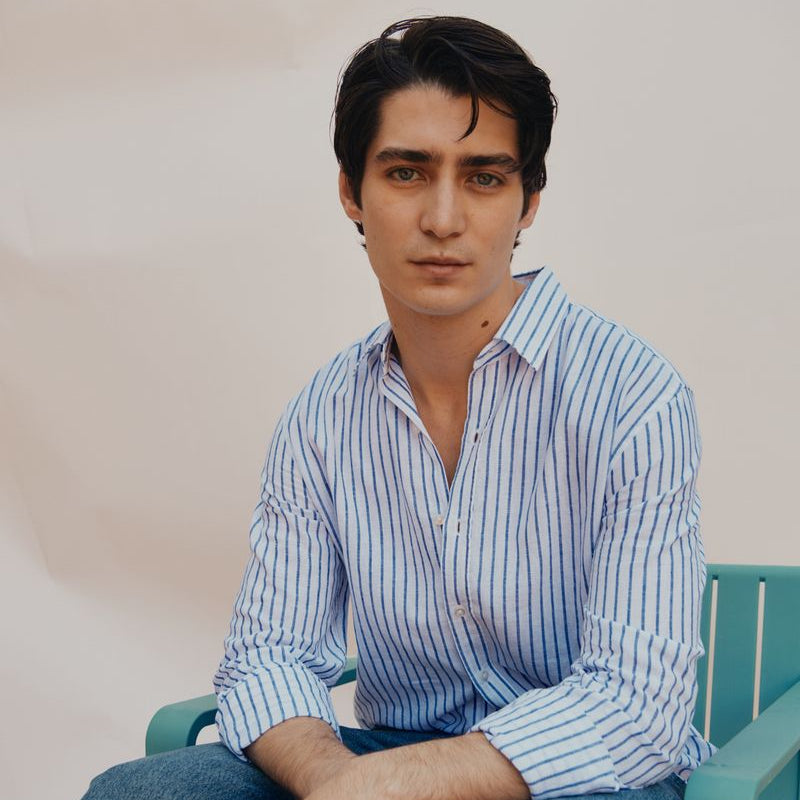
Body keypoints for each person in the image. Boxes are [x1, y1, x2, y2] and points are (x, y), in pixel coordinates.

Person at [83, 15, 714, 800]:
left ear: (529, 202)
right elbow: (268, 658)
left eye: (484, 177)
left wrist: (385, 788)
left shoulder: (632, 396)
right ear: (352, 191)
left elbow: (635, 710)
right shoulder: (321, 418)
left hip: (581, 779)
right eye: (408, 173)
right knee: (141, 792)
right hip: (385, 756)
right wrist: (338, 781)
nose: (443, 220)